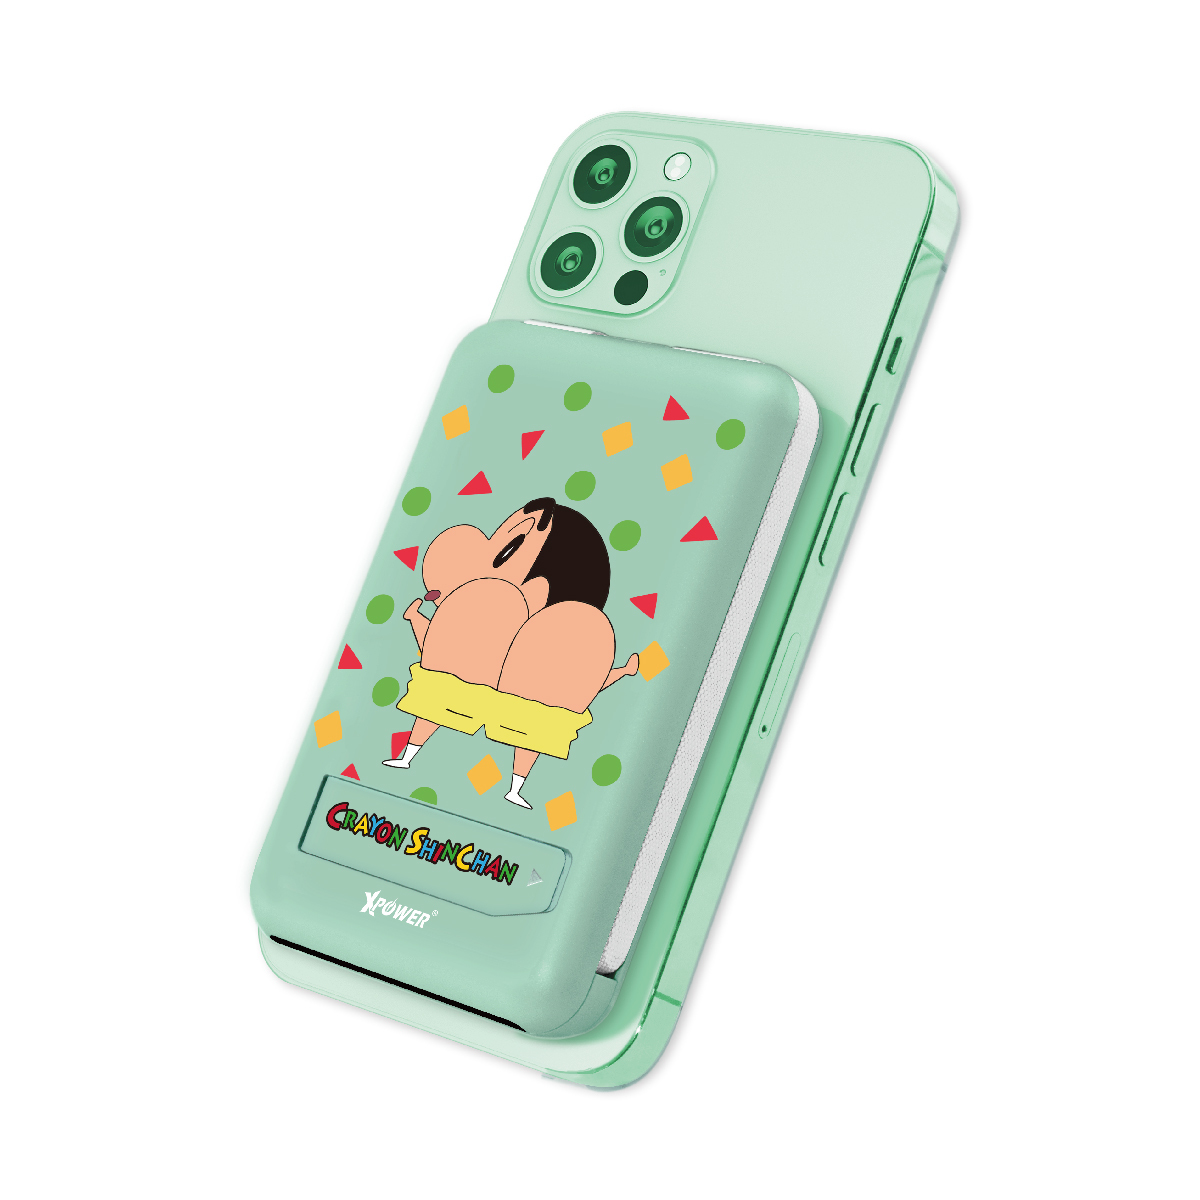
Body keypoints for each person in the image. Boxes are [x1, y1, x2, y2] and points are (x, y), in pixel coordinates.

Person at [382, 497, 639, 807]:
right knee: (435, 703)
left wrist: (622, 672)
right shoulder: (471, 617)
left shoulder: (566, 643)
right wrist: (417, 618)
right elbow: (434, 649)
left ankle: (514, 789)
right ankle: (407, 757)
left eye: (503, 552)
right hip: (461, 688)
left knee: (526, 731)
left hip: (524, 706)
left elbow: (585, 683)